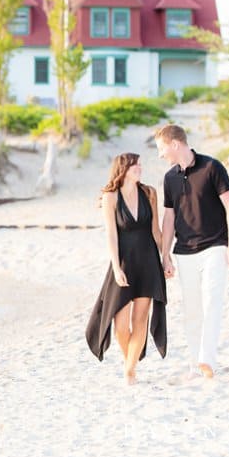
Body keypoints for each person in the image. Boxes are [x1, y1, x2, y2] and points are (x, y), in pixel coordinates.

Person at [154, 124, 229, 379]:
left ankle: (207, 359)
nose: (160, 155)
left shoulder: (212, 167)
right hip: (184, 251)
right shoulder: (169, 178)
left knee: (212, 300)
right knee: (192, 309)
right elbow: (169, 218)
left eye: (161, 149)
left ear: (175, 144)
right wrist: (165, 253)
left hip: (215, 246)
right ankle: (195, 362)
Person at [85, 152, 173, 385]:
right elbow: (111, 235)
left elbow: (156, 231)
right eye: (136, 165)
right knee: (121, 326)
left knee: (141, 318)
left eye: (140, 165)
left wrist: (166, 258)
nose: (140, 168)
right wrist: (115, 266)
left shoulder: (149, 193)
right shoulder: (110, 197)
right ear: (123, 168)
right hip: (123, 262)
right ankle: (130, 361)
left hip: (148, 261)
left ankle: (129, 371)